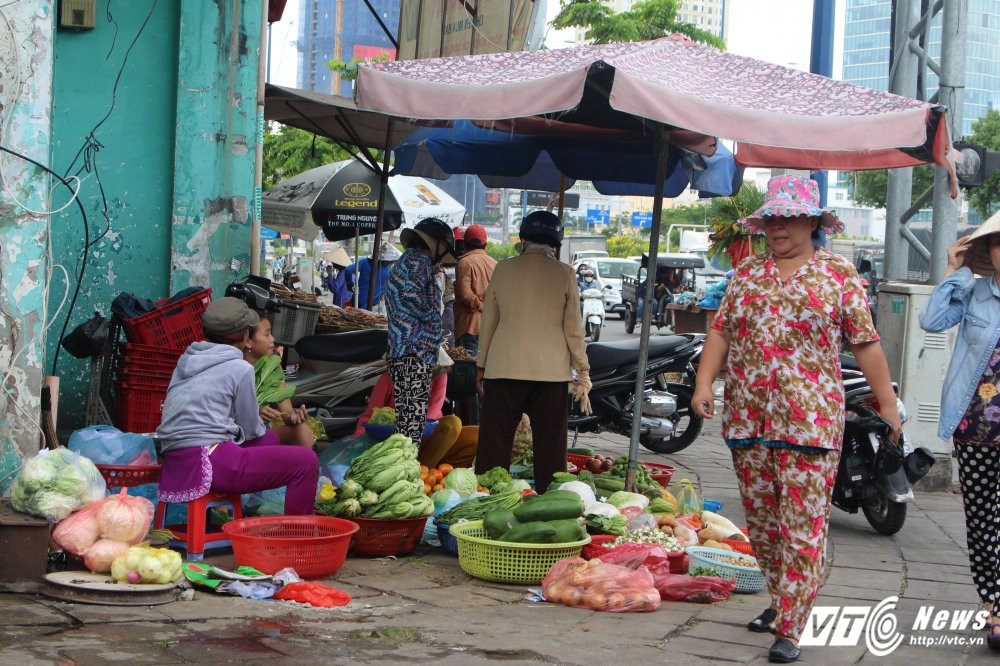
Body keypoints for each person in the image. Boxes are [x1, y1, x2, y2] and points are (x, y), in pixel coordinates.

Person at [691, 176, 900, 664]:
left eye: (788, 218)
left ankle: (791, 625)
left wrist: (886, 404)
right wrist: (704, 383)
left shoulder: (839, 275)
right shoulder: (746, 274)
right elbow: (721, 332)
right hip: (748, 421)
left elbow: (866, 343)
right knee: (763, 526)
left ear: (811, 222)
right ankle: (781, 598)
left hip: (810, 423)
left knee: (803, 527)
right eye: (771, 220)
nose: (778, 228)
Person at [155, 297, 318, 514]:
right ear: (244, 336)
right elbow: (250, 430)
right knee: (306, 462)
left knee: (269, 438)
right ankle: (296, 542)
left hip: (177, 460)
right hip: (211, 460)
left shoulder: (186, 360)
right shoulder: (239, 368)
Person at [919, 212, 1000, 651]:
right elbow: (931, 323)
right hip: (974, 428)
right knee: (981, 519)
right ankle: (992, 604)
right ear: (989, 252)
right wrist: (952, 271)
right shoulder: (973, 292)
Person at [474, 210, 591, 493]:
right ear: (555, 243)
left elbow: (489, 320)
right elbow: (573, 328)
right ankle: (549, 501)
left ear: (524, 239)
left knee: (495, 441)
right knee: (550, 444)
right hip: (550, 373)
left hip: (503, 367)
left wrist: (482, 365)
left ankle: (487, 497)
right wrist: (582, 368)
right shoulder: (565, 273)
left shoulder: (503, 268)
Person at [385, 218, 459, 440]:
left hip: (401, 350)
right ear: (434, 244)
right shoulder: (419, 262)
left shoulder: (406, 260)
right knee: (412, 422)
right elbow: (413, 298)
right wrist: (434, 320)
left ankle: (405, 462)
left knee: (406, 419)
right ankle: (406, 466)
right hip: (414, 352)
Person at [243, 313, 316, 448]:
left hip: (262, 430)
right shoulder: (235, 368)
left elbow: (286, 412)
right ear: (248, 341)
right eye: (267, 334)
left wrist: (292, 418)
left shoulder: (273, 366)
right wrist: (253, 412)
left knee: (303, 433)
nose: (273, 339)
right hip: (235, 435)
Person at [454, 224, 497, 355]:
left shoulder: (464, 262)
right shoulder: (494, 264)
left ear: (465, 244)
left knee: (468, 369)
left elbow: (465, 294)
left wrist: (480, 305)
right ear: (485, 244)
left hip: (470, 326)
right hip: (490, 326)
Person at [344, 243, 401, 310]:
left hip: (358, 300)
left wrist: (349, 284)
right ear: (388, 260)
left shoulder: (365, 262)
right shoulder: (388, 272)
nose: (391, 263)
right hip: (371, 305)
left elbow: (348, 270)